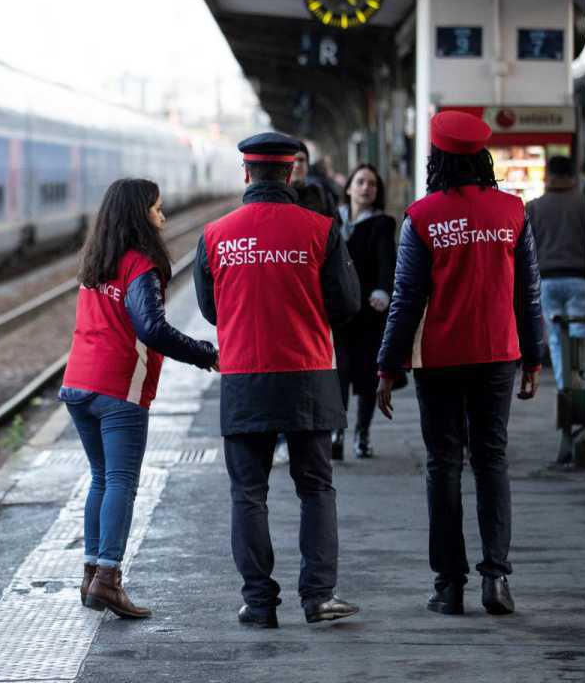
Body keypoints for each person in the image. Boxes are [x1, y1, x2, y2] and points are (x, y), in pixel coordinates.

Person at [377, 111, 544, 618]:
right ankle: (496, 581)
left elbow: (406, 298)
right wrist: (534, 356)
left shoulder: (422, 217)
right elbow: (528, 292)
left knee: (444, 464)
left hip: (441, 358)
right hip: (498, 354)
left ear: (438, 158)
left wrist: (388, 365)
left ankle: (449, 586)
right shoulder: (513, 212)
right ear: (482, 157)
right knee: (492, 460)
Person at [195, 133, 362, 629]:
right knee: (315, 488)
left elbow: (210, 310)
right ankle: (318, 596)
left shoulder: (215, 236)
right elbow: (348, 303)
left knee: (248, 492)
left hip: (245, 377)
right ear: (291, 174)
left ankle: (259, 602)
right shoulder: (321, 229)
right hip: (309, 375)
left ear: (246, 174)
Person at [60, 178, 218, 619]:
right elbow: (151, 328)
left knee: (102, 478)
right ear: (139, 214)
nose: (163, 218)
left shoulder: (96, 261)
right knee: (122, 482)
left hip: (78, 383)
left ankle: (92, 574)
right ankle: (108, 581)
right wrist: (207, 355)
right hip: (118, 388)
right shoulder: (141, 265)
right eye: (157, 209)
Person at [333, 163, 397, 460]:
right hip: (339, 312)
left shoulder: (382, 223)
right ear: (348, 187)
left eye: (372, 184)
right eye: (360, 182)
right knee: (339, 373)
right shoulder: (333, 220)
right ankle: (337, 431)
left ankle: (362, 433)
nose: (366, 188)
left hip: (370, 312)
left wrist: (384, 291)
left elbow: (388, 261)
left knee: (369, 376)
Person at [525, 155, 585, 392]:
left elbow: (527, 249)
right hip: (580, 278)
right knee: (580, 331)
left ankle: (565, 389)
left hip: (547, 280)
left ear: (547, 175)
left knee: (555, 336)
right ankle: (581, 383)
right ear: (572, 176)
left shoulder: (534, 207)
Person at [291, 148, 341, 219]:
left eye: (301, 160)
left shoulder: (320, 193)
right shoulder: (278, 195)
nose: (297, 165)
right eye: (293, 160)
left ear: (307, 165)